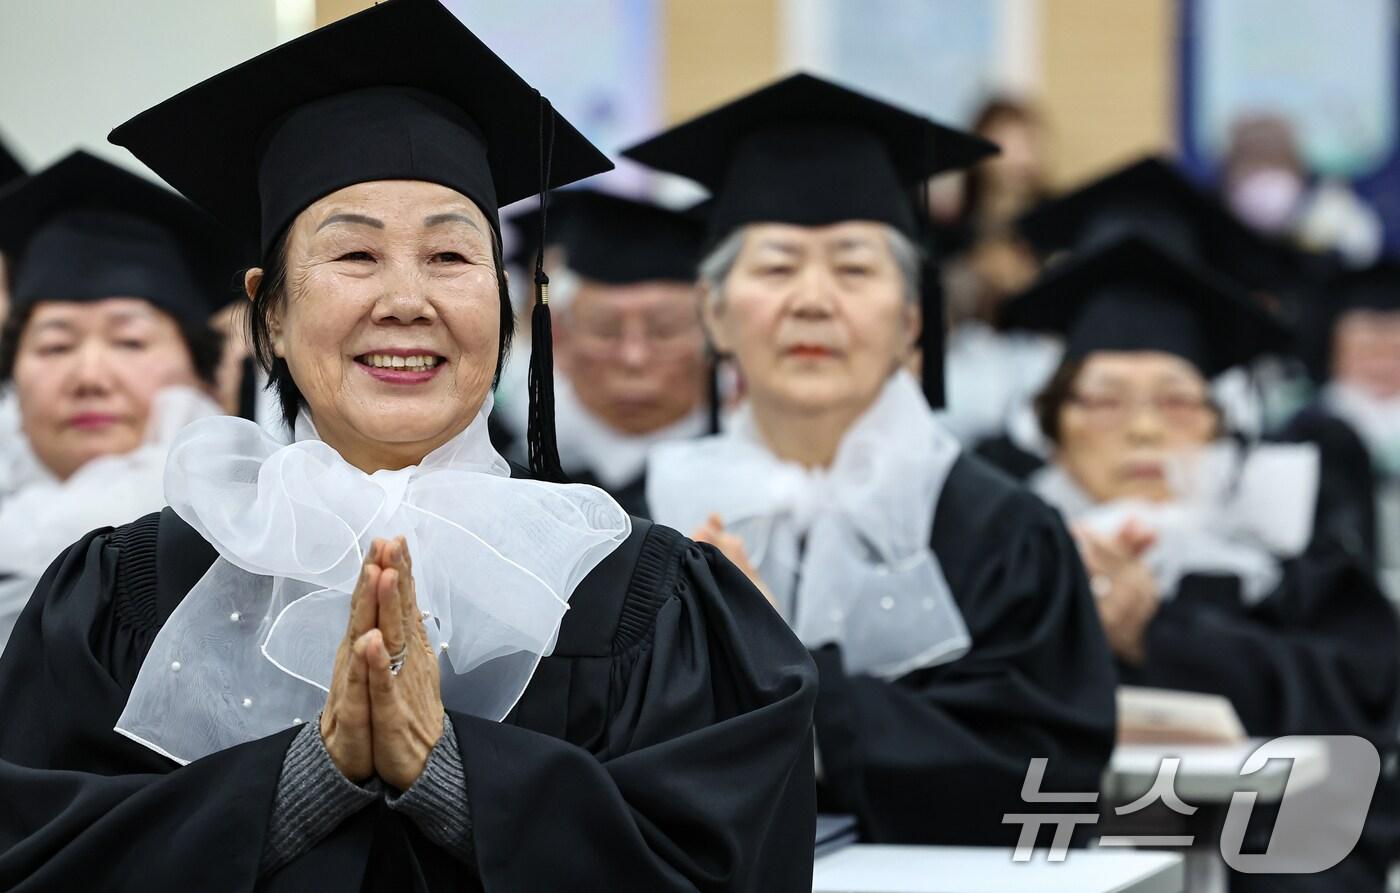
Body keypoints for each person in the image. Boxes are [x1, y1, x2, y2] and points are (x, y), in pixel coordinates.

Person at [0, 2, 818, 890]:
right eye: (353, 256)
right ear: (268, 313)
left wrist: (451, 777)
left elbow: (732, 866)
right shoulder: (130, 588)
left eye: (451, 258)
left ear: (505, 311)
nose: (405, 298)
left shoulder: (640, 592)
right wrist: (304, 784)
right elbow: (32, 853)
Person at [626, 72, 1117, 846]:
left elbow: (1050, 782)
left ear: (913, 320)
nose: (814, 301)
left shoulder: (1004, 529)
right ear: (716, 314)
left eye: (854, 269)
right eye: (777, 266)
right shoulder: (634, 520)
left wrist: (778, 675)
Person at [1004, 233, 1400, 892]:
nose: (1144, 429)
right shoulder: (1000, 553)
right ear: (1052, 426)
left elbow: (1357, 734)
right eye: (1104, 400)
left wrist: (1156, 632)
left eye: (1177, 400)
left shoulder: (1288, 561)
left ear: (1220, 424)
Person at [0, 150, 233, 649]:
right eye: (54, 346)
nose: (89, 377)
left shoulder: (254, 543)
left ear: (205, 375)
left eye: (130, 341)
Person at [494, 190, 710, 514]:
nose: (633, 357)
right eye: (605, 330)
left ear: (713, 338)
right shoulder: (500, 467)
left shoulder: (756, 473)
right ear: (559, 340)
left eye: (664, 330)